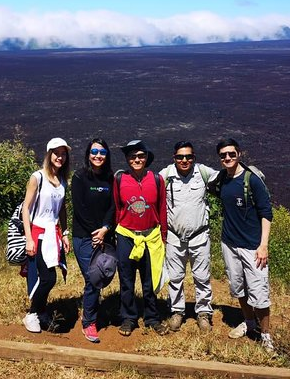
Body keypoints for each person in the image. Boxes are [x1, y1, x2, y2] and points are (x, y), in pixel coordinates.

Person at [215, 138, 275, 352]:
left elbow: (266, 213)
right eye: (223, 155)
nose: (228, 158)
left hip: (252, 246)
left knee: (259, 291)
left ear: (239, 154)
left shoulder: (252, 180)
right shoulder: (222, 179)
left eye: (231, 154)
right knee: (238, 287)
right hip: (229, 244)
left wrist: (263, 245)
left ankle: (266, 335)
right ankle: (249, 322)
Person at [159, 141, 220, 332]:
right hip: (175, 237)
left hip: (199, 236)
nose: (184, 160)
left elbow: (227, 177)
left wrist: (250, 175)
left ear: (194, 158)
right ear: (174, 158)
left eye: (188, 157)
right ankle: (177, 311)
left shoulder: (203, 173)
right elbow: (149, 187)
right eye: (180, 157)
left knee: (202, 277)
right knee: (175, 277)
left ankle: (203, 313)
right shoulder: (166, 175)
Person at [113, 140, 169, 336]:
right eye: (132, 156)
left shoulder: (156, 179)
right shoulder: (120, 179)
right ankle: (128, 318)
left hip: (151, 237)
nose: (136, 159)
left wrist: (163, 236)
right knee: (126, 279)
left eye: (140, 156)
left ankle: (152, 318)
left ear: (146, 158)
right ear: (127, 159)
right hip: (126, 236)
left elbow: (162, 208)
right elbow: (117, 208)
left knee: (150, 280)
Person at [21, 137, 72, 333]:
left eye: (63, 153)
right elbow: (26, 208)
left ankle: (41, 311)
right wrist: (29, 238)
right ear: (49, 154)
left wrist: (65, 233)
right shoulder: (37, 177)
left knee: (50, 276)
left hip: (54, 234)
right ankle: (32, 313)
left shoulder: (62, 181)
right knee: (47, 277)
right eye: (56, 153)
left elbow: (62, 209)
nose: (60, 157)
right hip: (39, 233)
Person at [71, 138, 115, 343]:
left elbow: (113, 207)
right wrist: (94, 233)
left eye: (102, 152)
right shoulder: (80, 177)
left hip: (105, 235)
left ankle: (91, 310)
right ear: (88, 154)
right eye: (94, 151)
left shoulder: (110, 179)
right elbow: (80, 209)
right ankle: (89, 322)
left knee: (102, 276)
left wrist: (105, 229)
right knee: (93, 278)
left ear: (107, 156)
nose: (98, 155)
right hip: (84, 237)